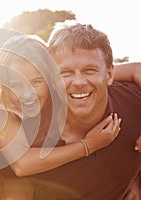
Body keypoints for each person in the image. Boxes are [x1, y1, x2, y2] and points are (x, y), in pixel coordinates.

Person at [0, 34, 121, 200]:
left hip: (44, 177)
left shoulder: (65, 85)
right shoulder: (2, 109)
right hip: (7, 177)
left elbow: (133, 70)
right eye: (16, 85)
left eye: (36, 82)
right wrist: (88, 145)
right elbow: (22, 166)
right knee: (19, 184)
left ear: (52, 78)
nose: (27, 95)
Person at [23, 22, 140, 199]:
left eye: (90, 70)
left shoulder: (133, 101)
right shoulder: (29, 127)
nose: (78, 82)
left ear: (109, 75)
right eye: (66, 73)